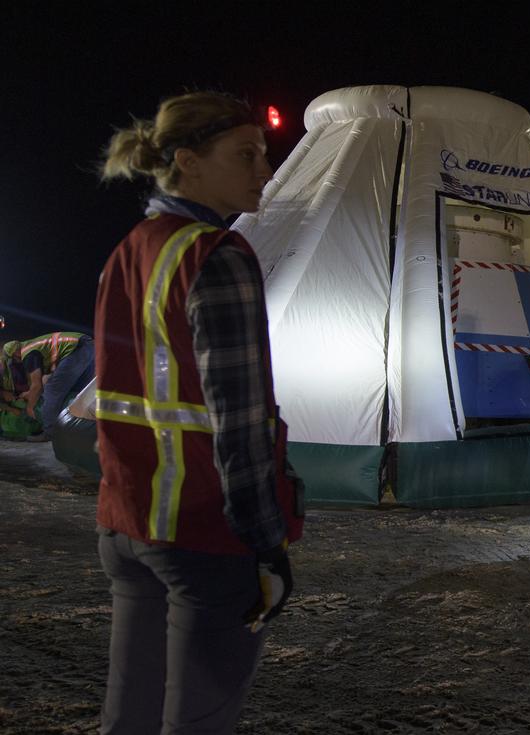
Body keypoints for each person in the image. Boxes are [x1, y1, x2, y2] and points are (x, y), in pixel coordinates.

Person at [94, 90, 304, 733]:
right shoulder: (217, 257)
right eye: (245, 155)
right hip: (203, 533)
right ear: (187, 161)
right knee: (200, 717)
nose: (264, 171)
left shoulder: (129, 250)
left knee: (130, 712)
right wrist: (266, 544)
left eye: (263, 156)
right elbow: (238, 421)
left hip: (128, 524)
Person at [3, 332, 95, 439]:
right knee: (77, 394)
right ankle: (78, 429)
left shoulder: (28, 353)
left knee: (51, 391)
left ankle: (49, 432)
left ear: (15, 354)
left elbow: (37, 386)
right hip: (89, 346)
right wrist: (30, 393)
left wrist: (30, 407)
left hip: (76, 349)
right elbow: (43, 380)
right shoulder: (35, 346)